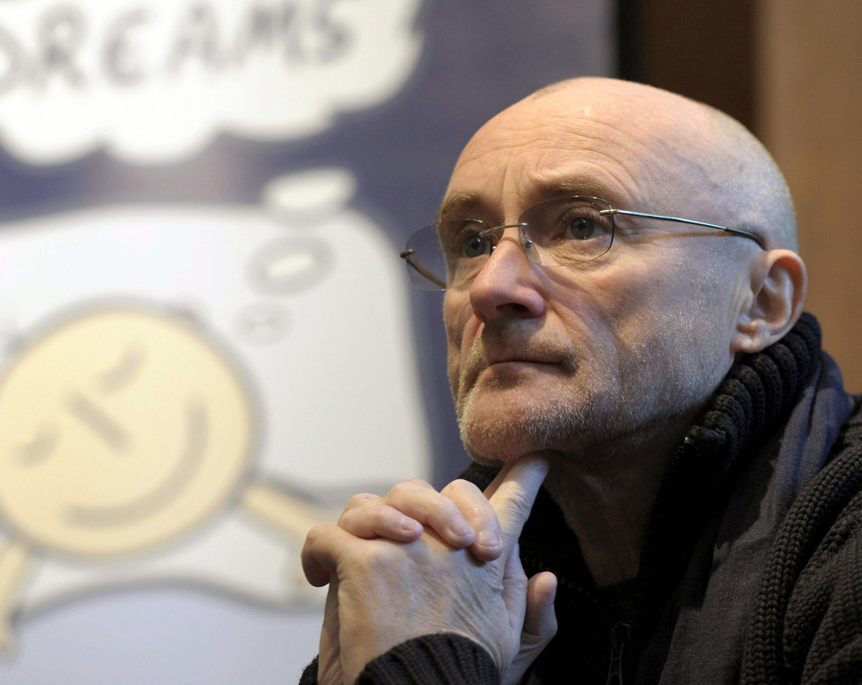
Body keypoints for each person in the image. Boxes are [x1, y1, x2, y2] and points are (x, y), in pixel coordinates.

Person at [298, 77, 862, 684]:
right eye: (472, 242)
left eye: (583, 227)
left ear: (761, 301)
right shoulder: (435, 582)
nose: (490, 286)